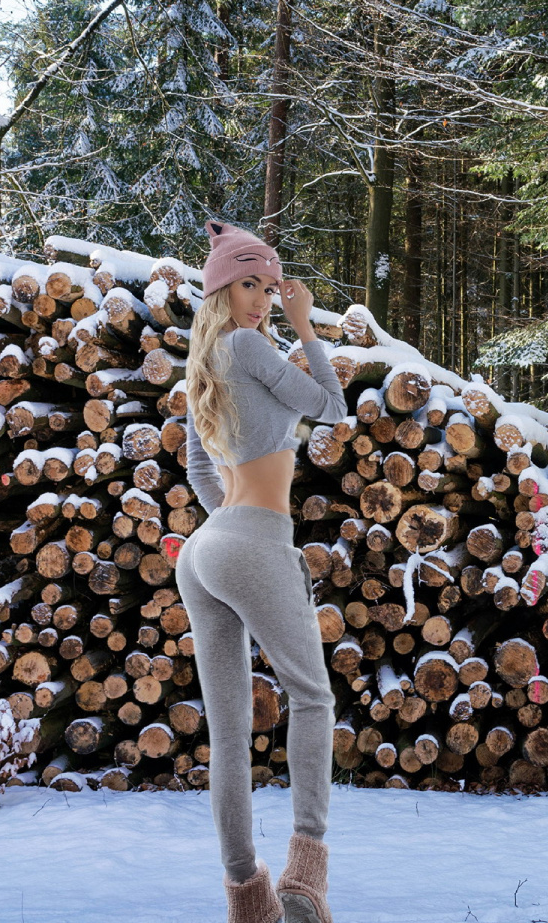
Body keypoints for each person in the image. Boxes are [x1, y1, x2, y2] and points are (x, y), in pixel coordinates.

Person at [177, 220, 350, 923]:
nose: (263, 299)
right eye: (250, 284)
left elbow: (196, 468)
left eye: (272, 288)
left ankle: (248, 900)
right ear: (223, 287)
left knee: (228, 735)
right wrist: (306, 327)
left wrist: (226, 528)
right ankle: (304, 880)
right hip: (249, 539)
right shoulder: (250, 346)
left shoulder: (205, 365)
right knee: (312, 699)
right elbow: (332, 410)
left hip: (205, 550)